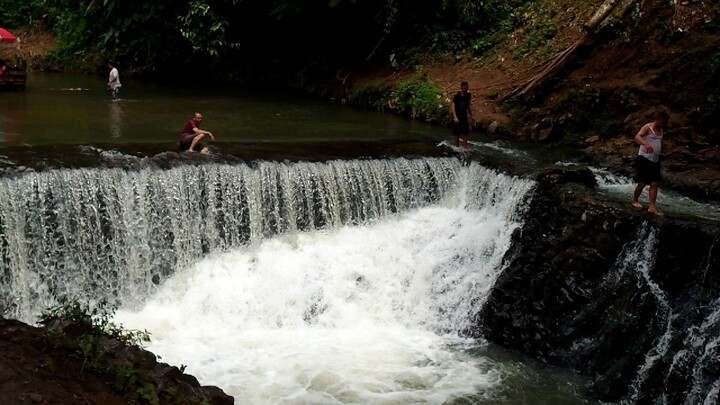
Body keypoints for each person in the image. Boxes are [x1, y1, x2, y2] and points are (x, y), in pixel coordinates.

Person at [631, 111, 669, 216]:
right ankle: (635, 200)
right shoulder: (648, 127)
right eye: (662, 122)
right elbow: (637, 137)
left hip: (655, 159)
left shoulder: (661, 130)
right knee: (642, 182)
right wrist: (645, 144)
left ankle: (652, 207)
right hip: (644, 158)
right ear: (657, 119)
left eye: (664, 123)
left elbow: (659, 142)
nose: (662, 124)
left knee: (655, 183)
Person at [450, 81, 476, 148]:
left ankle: (465, 147)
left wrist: (471, 115)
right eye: (464, 88)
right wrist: (455, 117)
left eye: (466, 88)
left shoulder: (468, 95)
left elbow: (468, 106)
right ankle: (456, 147)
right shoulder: (457, 96)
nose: (465, 90)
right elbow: (453, 106)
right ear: (461, 88)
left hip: (464, 115)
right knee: (456, 133)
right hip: (457, 115)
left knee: (465, 132)